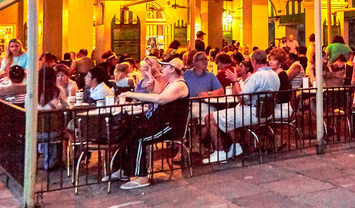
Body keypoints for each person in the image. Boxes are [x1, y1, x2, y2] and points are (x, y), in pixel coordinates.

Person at [107, 58, 189, 189]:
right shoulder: (171, 84)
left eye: (165, 66)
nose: (162, 68)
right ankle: (124, 170)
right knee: (127, 132)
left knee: (140, 138)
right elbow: (157, 96)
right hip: (160, 123)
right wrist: (150, 86)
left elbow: (161, 99)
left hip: (170, 126)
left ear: (173, 69)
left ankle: (142, 176)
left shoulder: (179, 85)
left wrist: (133, 94)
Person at [203, 50, 279, 164]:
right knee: (228, 114)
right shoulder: (274, 75)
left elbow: (242, 97)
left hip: (252, 112)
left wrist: (235, 81)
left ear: (253, 61)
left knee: (210, 118)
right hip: (265, 113)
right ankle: (236, 146)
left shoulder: (256, 76)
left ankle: (219, 152)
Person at [37, 65, 70, 169]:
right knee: (64, 130)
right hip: (53, 130)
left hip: (35, 131)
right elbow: (67, 106)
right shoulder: (58, 90)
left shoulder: (34, 90)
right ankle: (55, 161)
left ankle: (46, 156)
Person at [184, 51, 224, 124]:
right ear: (194, 62)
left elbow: (221, 91)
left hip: (204, 105)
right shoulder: (186, 74)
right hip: (187, 105)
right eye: (201, 59)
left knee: (213, 119)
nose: (205, 61)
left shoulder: (210, 76)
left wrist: (208, 94)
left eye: (206, 59)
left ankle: (198, 135)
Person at [268, 49, 293, 120]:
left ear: (280, 62)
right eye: (270, 60)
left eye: (274, 60)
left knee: (258, 116)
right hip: (274, 107)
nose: (271, 62)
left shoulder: (282, 75)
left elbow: (283, 96)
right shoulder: (272, 74)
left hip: (282, 108)